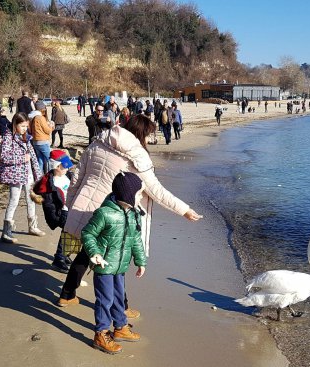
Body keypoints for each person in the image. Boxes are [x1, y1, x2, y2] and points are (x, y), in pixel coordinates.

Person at [57, 114, 203, 312]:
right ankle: (121, 308)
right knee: (115, 261)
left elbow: (76, 177)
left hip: (85, 205)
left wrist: (72, 203)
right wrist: (184, 210)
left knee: (86, 253)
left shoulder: (98, 142)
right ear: (141, 134)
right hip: (112, 212)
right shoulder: (136, 155)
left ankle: (67, 294)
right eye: (149, 135)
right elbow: (156, 191)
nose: (149, 139)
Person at [84, 172, 147, 354]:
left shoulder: (133, 213)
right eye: (138, 194)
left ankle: (120, 327)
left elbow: (136, 238)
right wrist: (94, 253)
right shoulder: (105, 213)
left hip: (120, 266)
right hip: (104, 265)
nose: (141, 197)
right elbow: (88, 233)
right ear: (127, 196)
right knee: (105, 299)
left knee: (119, 296)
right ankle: (101, 333)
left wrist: (141, 261)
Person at [0, 112, 45, 242]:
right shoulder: (8, 137)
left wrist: (38, 174)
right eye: (22, 126)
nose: (25, 128)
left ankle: (33, 227)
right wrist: (21, 158)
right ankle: (6, 232)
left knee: (31, 199)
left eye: (26, 126)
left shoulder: (26, 137)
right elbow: (4, 157)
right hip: (16, 174)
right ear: (15, 124)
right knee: (14, 200)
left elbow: (33, 157)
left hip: (28, 173)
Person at [33, 149, 74, 273]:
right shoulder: (50, 184)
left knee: (71, 233)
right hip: (63, 212)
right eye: (64, 167)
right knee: (67, 232)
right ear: (56, 167)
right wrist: (57, 217)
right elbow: (50, 205)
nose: (67, 169)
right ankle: (59, 258)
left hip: (71, 208)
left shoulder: (66, 176)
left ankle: (64, 254)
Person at [28, 100, 53, 174]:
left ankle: (39, 176)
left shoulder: (32, 117)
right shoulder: (40, 118)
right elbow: (47, 130)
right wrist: (51, 126)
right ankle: (49, 175)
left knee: (40, 160)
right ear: (42, 109)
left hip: (35, 141)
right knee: (49, 159)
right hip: (43, 141)